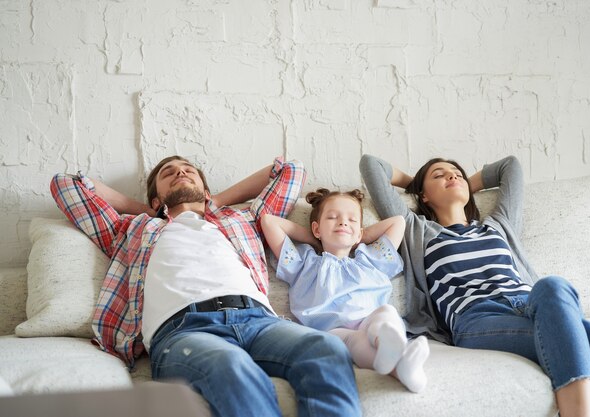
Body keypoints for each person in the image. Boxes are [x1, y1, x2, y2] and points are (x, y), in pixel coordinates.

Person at [50, 156, 362, 417]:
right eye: (168, 173)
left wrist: (214, 200)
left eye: (188, 170)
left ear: (205, 187)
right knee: (230, 364)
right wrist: (151, 210)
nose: (180, 172)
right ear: (156, 197)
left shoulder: (241, 219)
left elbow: (290, 170)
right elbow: (67, 184)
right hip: (185, 331)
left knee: (327, 348)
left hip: (259, 322)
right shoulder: (131, 228)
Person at [360, 154, 590, 417]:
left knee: (553, 286)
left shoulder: (499, 225)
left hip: (530, 305)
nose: (451, 176)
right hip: (478, 318)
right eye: (438, 175)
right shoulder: (417, 230)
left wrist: (461, 184)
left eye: (457, 173)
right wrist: (415, 183)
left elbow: (510, 167)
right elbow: (371, 165)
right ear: (424, 197)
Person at [261, 188, 430, 393]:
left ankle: (394, 349)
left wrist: (360, 235)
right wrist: (314, 239)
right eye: (333, 217)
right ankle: (401, 367)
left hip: (371, 321)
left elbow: (398, 222)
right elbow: (269, 221)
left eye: (351, 220)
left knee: (387, 313)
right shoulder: (303, 264)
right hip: (331, 332)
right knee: (354, 339)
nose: (343, 222)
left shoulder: (370, 260)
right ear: (316, 229)